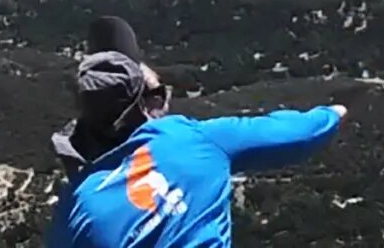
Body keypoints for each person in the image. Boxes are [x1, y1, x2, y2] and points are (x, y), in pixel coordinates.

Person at [48, 16, 346, 246]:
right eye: (159, 90)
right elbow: (300, 133)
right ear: (150, 105)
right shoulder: (194, 139)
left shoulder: (76, 205)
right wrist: (335, 112)